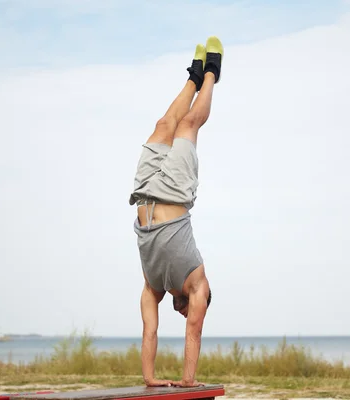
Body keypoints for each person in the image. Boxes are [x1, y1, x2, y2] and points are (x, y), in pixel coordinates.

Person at [128, 36, 224, 388]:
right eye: (187, 310)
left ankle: (194, 75)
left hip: (144, 192)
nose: (183, 313)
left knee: (163, 125)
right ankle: (211, 71)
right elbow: (194, 332)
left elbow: (149, 329)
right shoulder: (196, 283)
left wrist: (150, 377)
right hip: (175, 191)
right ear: (199, 300)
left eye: (184, 311)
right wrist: (188, 380)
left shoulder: (154, 286)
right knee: (187, 126)